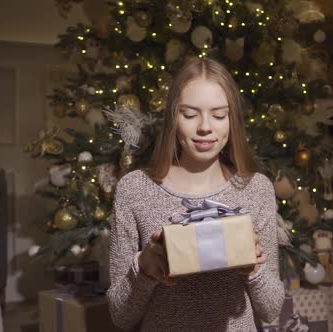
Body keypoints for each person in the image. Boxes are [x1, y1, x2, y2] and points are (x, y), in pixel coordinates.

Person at [107, 57, 285, 331]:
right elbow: (120, 317)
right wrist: (143, 268)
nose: (205, 127)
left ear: (232, 120)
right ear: (173, 118)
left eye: (219, 115)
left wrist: (255, 269)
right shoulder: (135, 189)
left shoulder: (256, 189)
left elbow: (272, 310)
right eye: (190, 114)